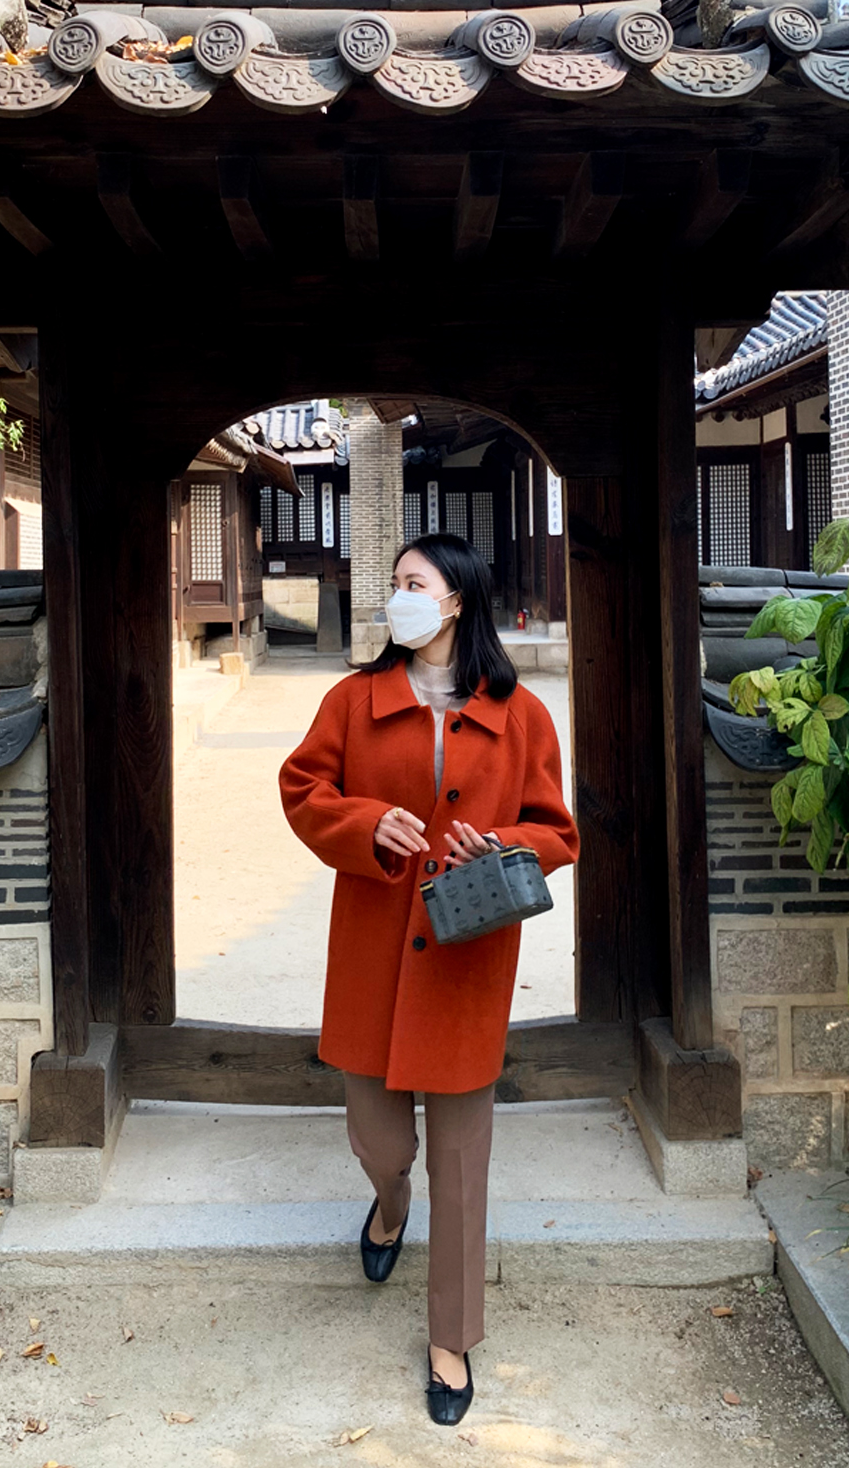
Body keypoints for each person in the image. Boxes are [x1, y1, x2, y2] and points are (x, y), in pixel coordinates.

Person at [279, 532, 580, 1426]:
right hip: (373, 949)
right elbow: (303, 790)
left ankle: (451, 1339)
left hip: (466, 957)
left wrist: (505, 845)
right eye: (394, 582)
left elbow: (556, 830)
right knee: (380, 1139)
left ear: (456, 600)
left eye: (414, 583)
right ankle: (388, 1201)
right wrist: (367, 823)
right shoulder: (352, 700)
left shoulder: (520, 714)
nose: (397, 596)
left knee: (461, 1162)